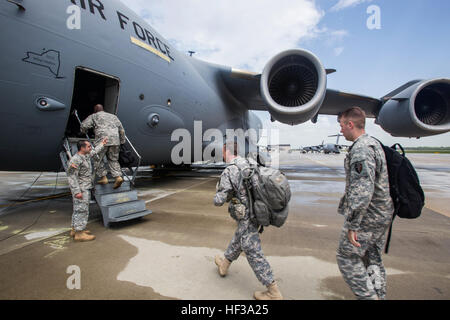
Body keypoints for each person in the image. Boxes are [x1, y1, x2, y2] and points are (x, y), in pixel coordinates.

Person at [336, 106, 394, 300]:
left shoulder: (361, 149)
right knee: (373, 260)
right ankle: (379, 294)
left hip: (368, 217)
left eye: (342, 125)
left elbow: (362, 191)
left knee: (346, 257)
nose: (341, 130)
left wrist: (353, 224)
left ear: (350, 124)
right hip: (381, 214)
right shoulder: (373, 143)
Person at [213, 141, 283, 300]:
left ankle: (273, 290)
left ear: (226, 151)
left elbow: (218, 200)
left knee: (253, 251)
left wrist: (218, 191)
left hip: (245, 216)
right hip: (257, 212)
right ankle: (224, 265)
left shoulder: (230, 170)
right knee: (239, 239)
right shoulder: (250, 163)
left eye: (223, 152)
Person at [67, 138, 107, 241]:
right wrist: (77, 192)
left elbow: (94, 152)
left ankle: (74, 229)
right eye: (88, 146)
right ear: (82, 148)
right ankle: (79, 234)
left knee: (78, 209)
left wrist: (102, 144)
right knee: (82, 210)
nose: (90, 148)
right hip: (81, 189)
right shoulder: (76, 159)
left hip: (85, 187)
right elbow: (72, 176)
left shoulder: (86, 155)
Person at [80, 104, 126, 189]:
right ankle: (118, 177)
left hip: (102, 141)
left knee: (97, 158)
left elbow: (84, 125)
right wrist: (122, 141)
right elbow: (121, 129)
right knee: (113, 159)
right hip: (115, 141)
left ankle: (103, 177)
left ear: (95, 110)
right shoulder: (113, 116)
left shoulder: (94, 116)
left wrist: (83, 131)